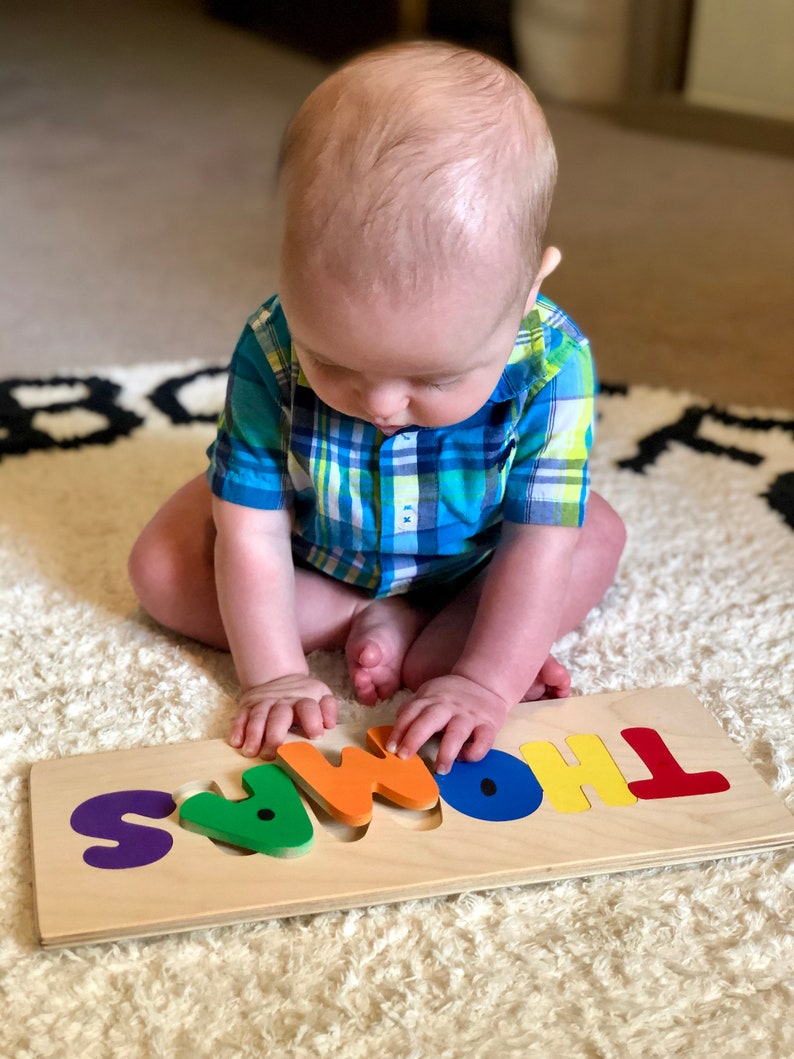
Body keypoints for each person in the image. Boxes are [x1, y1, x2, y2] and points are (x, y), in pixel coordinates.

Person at [128, 41, 626, 775]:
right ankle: (357, 615)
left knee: (595, 535)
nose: (382, 405)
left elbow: (536, 544)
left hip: (475, 560)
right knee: (161, 567)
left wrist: (485, 682)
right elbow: (251, 531)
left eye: (435, 377)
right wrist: (274, 674)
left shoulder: (552, 362)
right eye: (332, 361)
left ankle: (449, 640)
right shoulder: (272, 344)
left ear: (526, 296)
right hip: (316, 551)